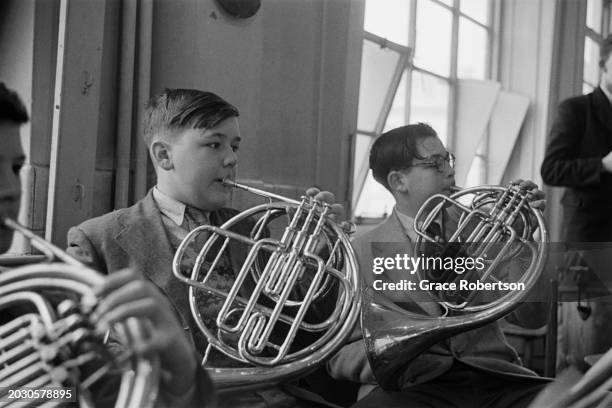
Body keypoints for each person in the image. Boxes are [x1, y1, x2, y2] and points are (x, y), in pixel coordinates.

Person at [66, 88, 344, 407]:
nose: (231, 158)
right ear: (163, 156)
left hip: (270, 395)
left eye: (234, 146)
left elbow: (298, 327)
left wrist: (320, 253)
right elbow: (81, 353)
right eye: (214, 144)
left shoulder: (252, 227)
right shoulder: (99, 237)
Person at [0, 82, 213, 407]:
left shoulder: (31, 308)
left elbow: (96, 397)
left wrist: (182, 376)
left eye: (15, 168)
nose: (11, 189)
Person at [328, 124, 550, 408]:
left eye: (449, 159)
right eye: (436, 163)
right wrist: (396, 358)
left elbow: (533, 318)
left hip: (494, 376)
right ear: (399, 181)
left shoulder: (483, 229)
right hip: (417, 386)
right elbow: (341, 353)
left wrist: (520, 240)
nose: (450, 171)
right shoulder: (360, 251)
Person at [541, 35, 612, 243]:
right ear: (603, 66)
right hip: (588, 235)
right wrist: (603, 165)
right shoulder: (575, 109)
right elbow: (550, 170)